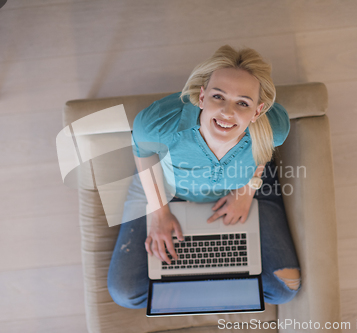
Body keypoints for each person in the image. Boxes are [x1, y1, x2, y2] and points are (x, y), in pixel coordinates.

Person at [107, 45, 301, 309]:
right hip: (165, 185)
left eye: (243, 103)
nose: (227, 112)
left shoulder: (274, 127)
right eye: (218, 96)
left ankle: (198, 289)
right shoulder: (159, 123)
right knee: (126, 293)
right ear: (201, 96)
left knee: (284, 290)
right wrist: (160, 212)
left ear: (257, 111)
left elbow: (264, 152)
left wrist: (247, 192)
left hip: (244, 184)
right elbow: (143, 152)